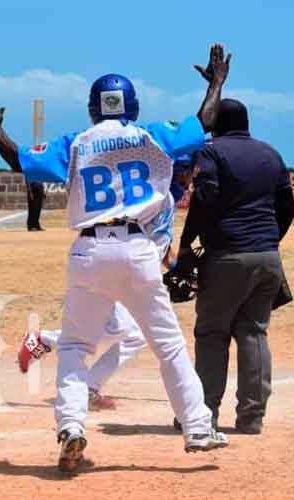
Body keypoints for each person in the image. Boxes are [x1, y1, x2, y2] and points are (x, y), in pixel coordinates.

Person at [0, 43, 232, 474]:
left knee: (74, 345)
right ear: (133, 105)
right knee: (167, 345)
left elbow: (20, 160)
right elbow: (203, 123)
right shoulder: (152, 135)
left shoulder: (75, 143)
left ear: (94, 109)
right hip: (139, 248)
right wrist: (217, 82)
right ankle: (198, 427)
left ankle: (71, 425)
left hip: (89, 251)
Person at [17, 155, 198, 412]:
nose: (193, 179)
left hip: (132, 273)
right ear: (180, 172)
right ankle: (46, 343)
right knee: (122, 332)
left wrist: (182, 270)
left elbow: (160, 245)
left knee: (131, 334)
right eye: (191, 172)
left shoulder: (161, 197)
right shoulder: (155, 199)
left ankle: (85, 382)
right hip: (119, 270)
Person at [178, 98, 294, 434]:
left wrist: (188, 245)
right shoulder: (270, 153)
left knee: (212, 333)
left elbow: (203, 199)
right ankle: (252, 416)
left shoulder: (211, 151)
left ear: (216, 122)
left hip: (227, 255)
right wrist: (270, 239)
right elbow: (287, 206)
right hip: (268, 257)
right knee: (254, 332)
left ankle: (205, 414)